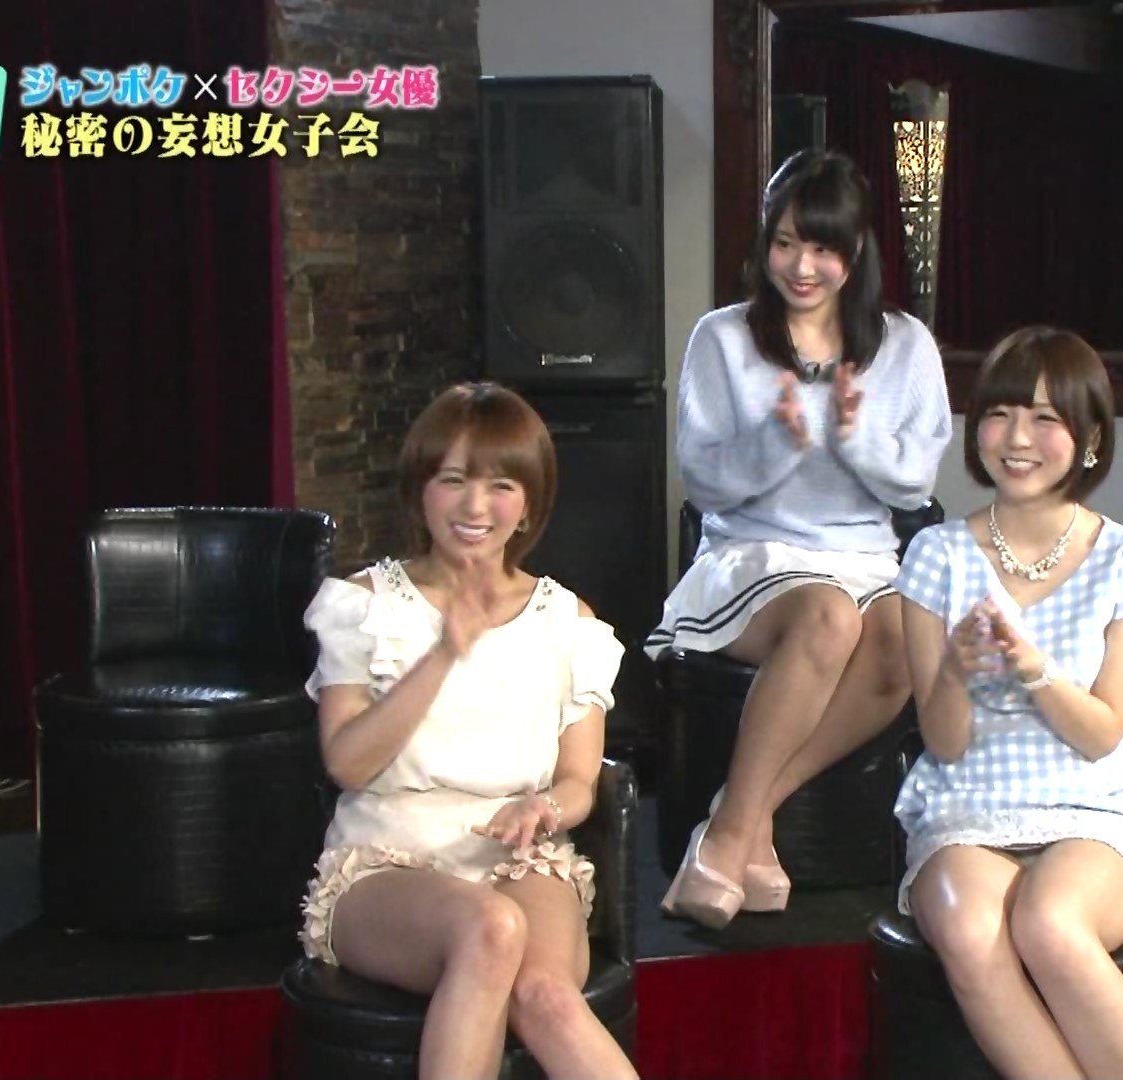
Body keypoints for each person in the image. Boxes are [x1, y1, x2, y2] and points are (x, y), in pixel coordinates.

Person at [645, 149, 954, 928]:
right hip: (751, 555)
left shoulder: (905, 343)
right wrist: (778, 443)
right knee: (827, 615)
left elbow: (914, 484)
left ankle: (739, 816)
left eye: (822, 247)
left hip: (865, 559)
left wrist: (852, 437)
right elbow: (705, 482)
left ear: (856, 251)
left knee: (903, 636)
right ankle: (733, 839)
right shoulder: (722, 338)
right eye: (784, 243)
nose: (801, 266)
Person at [297, 382, 637, 1080]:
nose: (475, 507)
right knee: (490, 929)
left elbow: (579, 780)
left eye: (500, 486)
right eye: (452, 480)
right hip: (386, 861)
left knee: (546, 993)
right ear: (420, 491)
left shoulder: (568, 620)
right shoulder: (362, 604)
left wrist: (545, 807)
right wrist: (444, 654)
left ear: (529, 504)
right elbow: (347, 764)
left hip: (518, 856)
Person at [892, 326, 1123, 1080]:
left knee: (1050, 924)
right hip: (968, 802)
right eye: (1000, 413)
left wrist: (1032, 668)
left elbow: (1102, 734)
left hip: (1093, 804)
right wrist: (954, 671)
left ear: (1090, 438)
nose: (1017, 438)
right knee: (970, 932)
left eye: (1046, 419)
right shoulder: (935, 556)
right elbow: (943, 742)